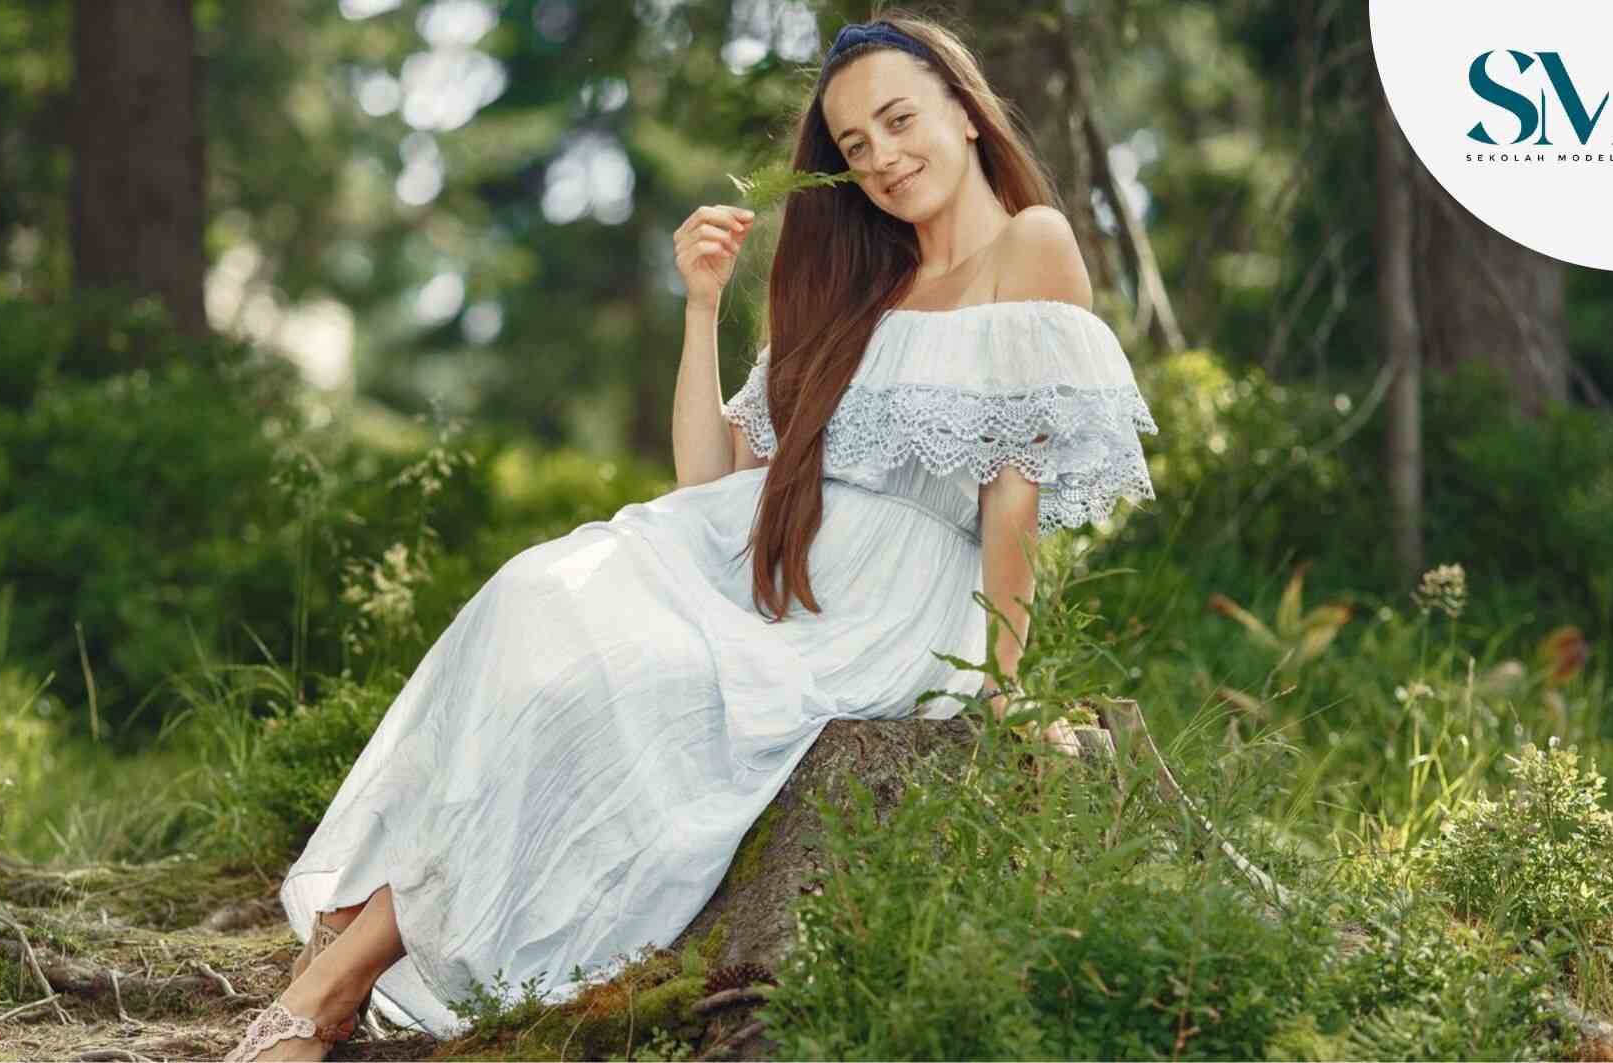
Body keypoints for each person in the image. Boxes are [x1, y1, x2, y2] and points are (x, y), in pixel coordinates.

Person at [223, 9, 1157, 1061]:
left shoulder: (1029, 248)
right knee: (537, 599)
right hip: (762, 566)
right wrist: (702, 308)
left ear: (966, 110)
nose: (885, 159)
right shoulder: (860, 282)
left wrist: (1005, 688)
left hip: (882, 605)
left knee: (627, 689)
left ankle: (334, 979)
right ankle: (351, 962)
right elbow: (712, 476)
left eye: (900, 121)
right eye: (856, 148)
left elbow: (1012, 498)